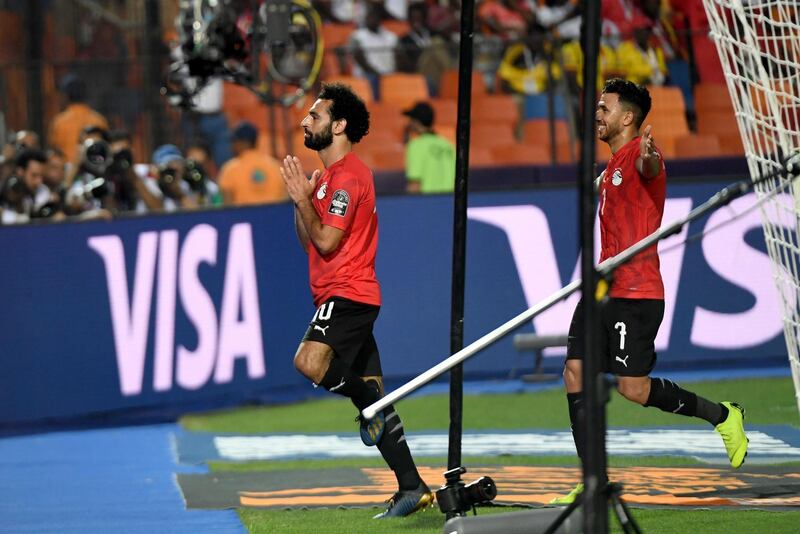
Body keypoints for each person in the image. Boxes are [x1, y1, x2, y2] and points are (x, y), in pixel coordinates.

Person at [551, 79, 748, 505]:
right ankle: (593, 483)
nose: (597, 115)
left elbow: (650, 168)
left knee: (633, 390)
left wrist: (647, 155)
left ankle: (723, 415)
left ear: (628, 118)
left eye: (605, 108)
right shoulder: (609, 169)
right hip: (602, 287)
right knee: (574, 372)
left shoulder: (645, 155)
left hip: (636, 293)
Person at [279, 82, 432, 519]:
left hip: (348, 294)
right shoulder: (326, 178)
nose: (305, 121)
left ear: (339, 125)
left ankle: (365, 400)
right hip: (341, 293)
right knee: (380, 404)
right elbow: (309, 243)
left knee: (310, 363)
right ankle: (412, 486)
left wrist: (306, 202)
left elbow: (327, 240)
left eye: (315, 115)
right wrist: (301, 203)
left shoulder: (348, 175)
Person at [217, 121, 287, 206]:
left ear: (243, 142)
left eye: (234, 141)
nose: (232, 146)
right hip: (276, 217)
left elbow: (227, 208)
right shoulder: (275, 166)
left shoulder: (230, 169)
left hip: (244, 218)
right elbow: (285, 200)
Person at [47, 74, 109, 169]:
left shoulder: (59, 122)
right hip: (95, 169)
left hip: (66, 172)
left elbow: (54, 151)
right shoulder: (98, 119)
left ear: (66, 95)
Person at [402, 101, 455, 194]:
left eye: (411, 119)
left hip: (427, 203)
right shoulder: (449, 146)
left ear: (416, 122)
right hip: (450, 203)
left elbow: (414, 185)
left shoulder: (415, 145)